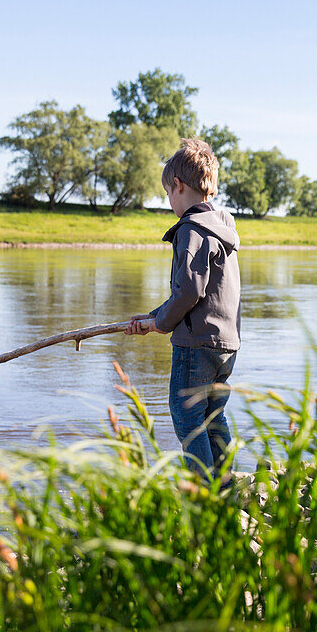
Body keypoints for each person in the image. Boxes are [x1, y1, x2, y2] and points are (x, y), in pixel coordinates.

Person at [126, 138, 241, 483]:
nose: (169, 202)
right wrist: (153, 317)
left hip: (195, 346)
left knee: (187, 418)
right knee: (213, 417)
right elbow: (195, 293)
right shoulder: (224, 227)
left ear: (178, 185)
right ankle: (225, 484)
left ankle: (204, 490)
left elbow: (189, 290)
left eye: (167, 194)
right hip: (226, 343)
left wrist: (161, 323)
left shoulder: (191, 229)